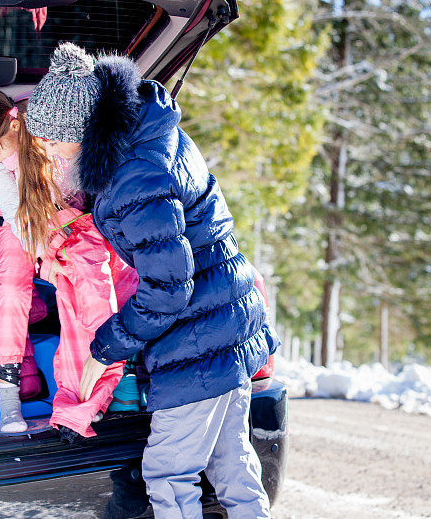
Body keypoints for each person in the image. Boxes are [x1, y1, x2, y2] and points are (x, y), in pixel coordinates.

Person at [26, 42, 279, 518]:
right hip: (229, 323)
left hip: (196, 343)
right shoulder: (149, 137)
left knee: (168, 474)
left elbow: (169, 289)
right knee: (233, 466)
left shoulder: (134, 178)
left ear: (83, 135)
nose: (51, 154)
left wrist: (107, 347)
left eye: (55, 143)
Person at [0, 87, 138, 439]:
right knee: (11, 285)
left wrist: (61, 253)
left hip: (67, 216)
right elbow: (17, 215)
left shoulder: (54, 133)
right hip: (17, 219)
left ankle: (102, 385)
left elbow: (83, 192)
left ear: (15, 125)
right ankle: (9, 397)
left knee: (100, 276)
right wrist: (43, 258)